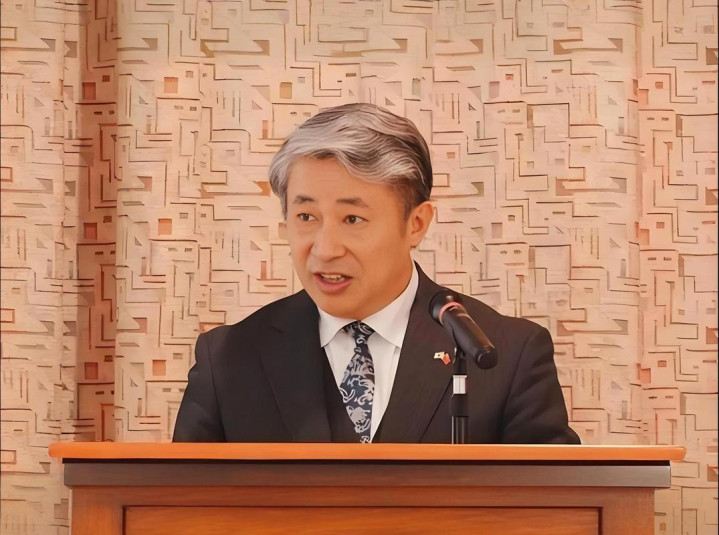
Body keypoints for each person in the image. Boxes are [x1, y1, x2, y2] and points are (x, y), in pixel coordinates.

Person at [173, 103, 580, 444]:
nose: (326, 249)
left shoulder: (506, 355)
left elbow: (558, 503)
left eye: (353, 219)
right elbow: (180, 502)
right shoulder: (228, 359)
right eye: (306, 216)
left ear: (416, 224)